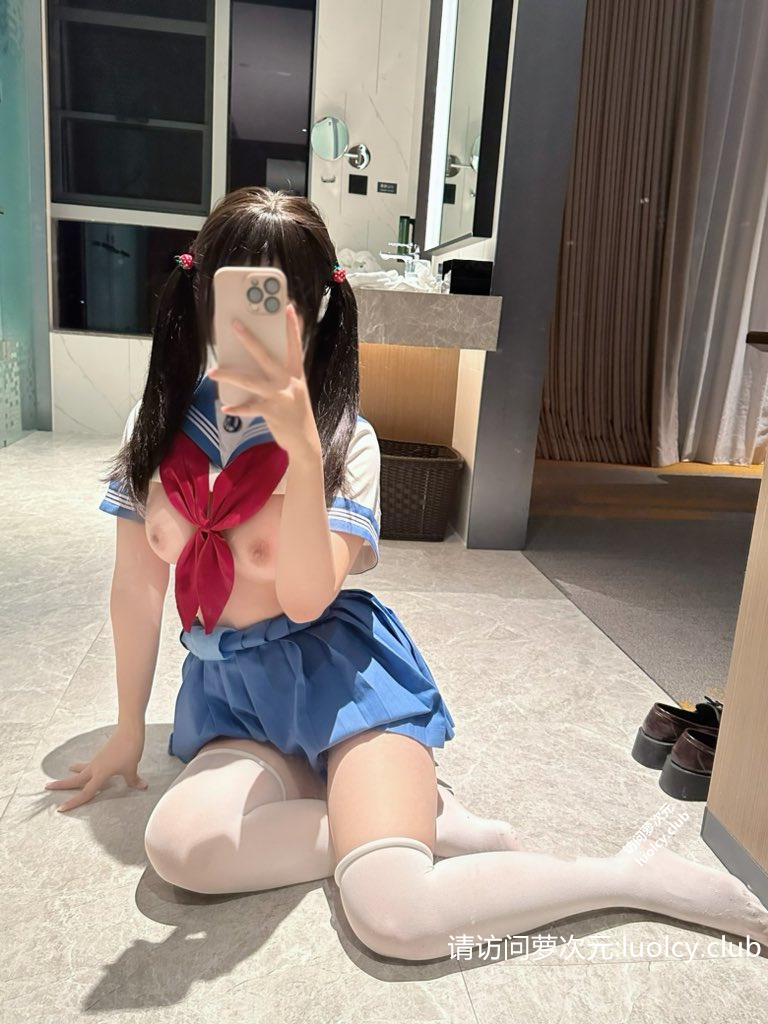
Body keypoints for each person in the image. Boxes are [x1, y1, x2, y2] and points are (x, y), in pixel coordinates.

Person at [46, 188, 767, 962]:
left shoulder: (345, 442)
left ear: (318, 307)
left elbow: (304, 598)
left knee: (396, 918)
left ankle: (628, 877)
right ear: (201, 292)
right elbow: (138, 588)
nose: (259, 318)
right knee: (180, 850)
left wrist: (298, 451)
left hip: (341, 684)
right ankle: (407, 817)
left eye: (284, 296)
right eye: (240, 289)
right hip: (235, 699)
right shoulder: (154, 425)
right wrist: (129, 728)